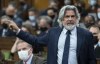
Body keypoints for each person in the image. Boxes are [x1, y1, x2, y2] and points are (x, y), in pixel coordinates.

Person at [1, 5, 96, 64]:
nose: (70, 19)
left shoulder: (86, 35)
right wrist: (18, 30)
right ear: (62, 19)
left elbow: (91, 59)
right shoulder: (53, 32)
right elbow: (35, 41)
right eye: (67, 16)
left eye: (72, 16)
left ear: (77, 18)